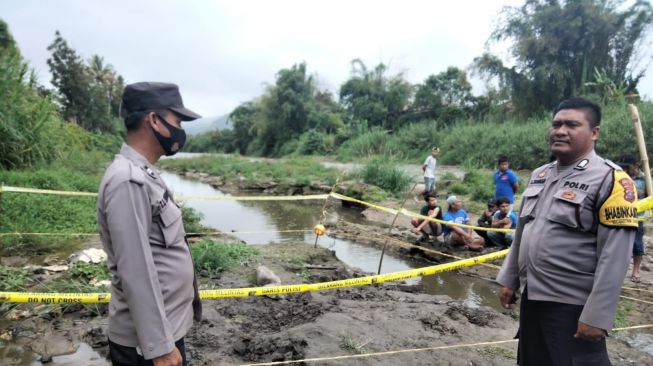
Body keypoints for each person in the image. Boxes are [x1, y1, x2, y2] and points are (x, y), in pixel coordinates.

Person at [496, 97, 638, 365]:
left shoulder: (612, 180)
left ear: (594, 133)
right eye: (556, 124)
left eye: (572, 124)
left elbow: (615, 256)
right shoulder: (540, 174)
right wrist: (510, 278)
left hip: (573, 306)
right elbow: (522, 233)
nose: (561, 130)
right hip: (533, 297)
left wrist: (597, 316)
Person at [97, 82, 203, 366]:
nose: (181, 129)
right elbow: (135, 270)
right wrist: (160, 347)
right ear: (153, 119)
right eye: (177, 121)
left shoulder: (145, 174)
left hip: (162, 333)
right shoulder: (127, 180)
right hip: (146, 347)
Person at [618, 154, 648, 283]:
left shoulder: (645, 180)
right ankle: (619, 270)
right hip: (621, 215)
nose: (624, 169)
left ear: (635, 166)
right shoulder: (620, 177)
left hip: (638, 217)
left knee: (637, 243)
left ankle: (636, 270)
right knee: (619, 243)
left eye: (627, 167)